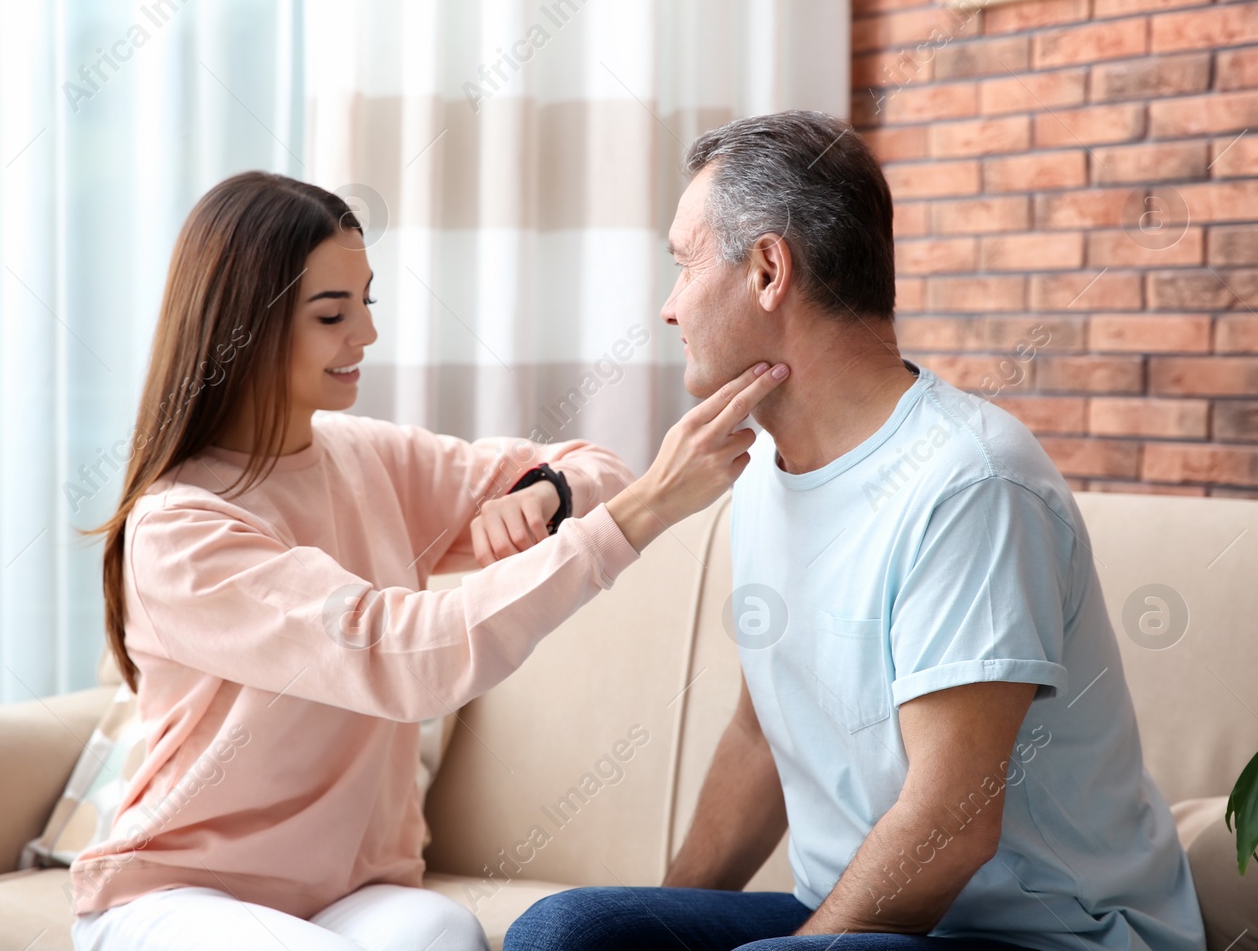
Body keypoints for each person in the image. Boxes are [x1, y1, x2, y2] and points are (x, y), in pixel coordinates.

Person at [504, 112, 1207, 951]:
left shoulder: (970, 482)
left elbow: (949, 824)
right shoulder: (764, 471)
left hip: (1041, 936)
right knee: (572, 931)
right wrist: (665, 927)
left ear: (769, 268)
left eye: (685, 263)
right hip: (866, 918)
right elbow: (761, 734)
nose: (667, 306)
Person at [67, 171, 789, 951]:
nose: (365, 336)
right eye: (331, 314)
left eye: (366, 303)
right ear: (244, 327)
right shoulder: (181, 529)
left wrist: (547, 493)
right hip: (179, 894)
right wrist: (641, 513)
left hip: (353, 892)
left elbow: (589, 461)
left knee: (444, 935)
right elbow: (400, 654)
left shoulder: (366, 454)